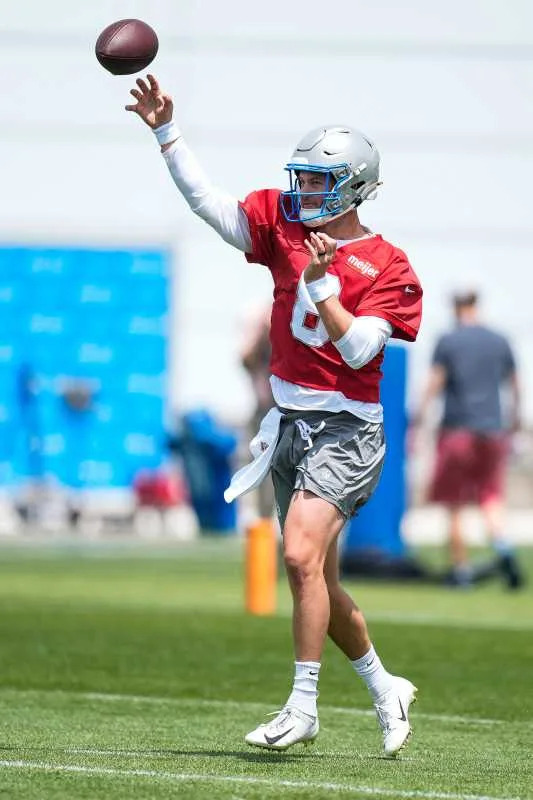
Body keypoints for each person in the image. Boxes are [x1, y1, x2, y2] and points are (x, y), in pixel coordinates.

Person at [125, 74, 423, 756]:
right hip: (288, 425)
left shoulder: (388, 265)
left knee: (295, 555)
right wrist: (165, 133)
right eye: (303, 180)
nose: (304, 193)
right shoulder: (285, 225)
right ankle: (384, 686)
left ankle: (303, 706)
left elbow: (355, 351)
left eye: (319, 182)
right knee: (317, 573)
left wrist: (321, 286)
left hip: (347, 432)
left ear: (353, 186)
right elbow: (210, 206)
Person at [414, 290, 524, 589]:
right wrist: (513, 423)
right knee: (490, 497)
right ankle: (503, 549)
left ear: (455, 307)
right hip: (492, 430)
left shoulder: (449, 341)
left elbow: (434, 383)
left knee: (454, 502)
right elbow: (515, 386)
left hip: (457, 431)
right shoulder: (499, 340)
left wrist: (419, 420)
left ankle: (461, 571)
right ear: (476, 304)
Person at [239, 302, 275, 519]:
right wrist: (263, 333)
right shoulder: (262, 317)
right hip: (265, 412)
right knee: (261, 475)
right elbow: (246, 358)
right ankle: (265, 533)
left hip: (293, 411)